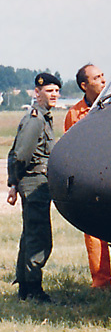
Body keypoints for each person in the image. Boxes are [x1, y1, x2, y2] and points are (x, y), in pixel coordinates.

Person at [64, 63, 111, 293]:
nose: (103, 80)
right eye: (97, 78)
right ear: (84, 85)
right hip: (89, 181)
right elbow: (71, 148)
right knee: (94, 235)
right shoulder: (74, 114)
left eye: (103, 75)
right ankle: (100, 281)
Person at [6, 72, 61, 303]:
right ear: (37, 93)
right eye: (49, 91)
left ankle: (25, 288)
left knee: (30, 235)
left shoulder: (44, 118)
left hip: (36, 183)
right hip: (34, 183)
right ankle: (33, 290)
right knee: (39, 237)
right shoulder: (36, 120)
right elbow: (19, 155)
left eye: (57, 91)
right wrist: (14, 183)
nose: (54, 95)